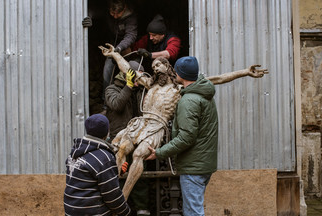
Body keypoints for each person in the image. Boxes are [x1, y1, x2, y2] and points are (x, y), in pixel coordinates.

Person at [98, 43, 268, 202]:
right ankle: (111, 193)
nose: (156, 68)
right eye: (154, 66)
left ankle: (123, 198)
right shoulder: (150, 84)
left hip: (157, 126)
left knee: (138, 154)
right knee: (120, 146)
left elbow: (219, 79)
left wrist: (245, 72)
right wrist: (115, 54)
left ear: (169, 67)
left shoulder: (179, 89)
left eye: (159, 64)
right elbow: (127, 68)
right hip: (141, 123)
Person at [145, 56, 217, 215]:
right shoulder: (204, 94)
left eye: (177, 70)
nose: (174, 72)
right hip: (202, 164)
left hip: (194, 167)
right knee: (194, 208)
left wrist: (160, 152)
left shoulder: (189, 100)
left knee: (193, 212)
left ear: (181, 74)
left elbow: (186, 137)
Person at [105, 61, 152, 216]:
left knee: (139, 176)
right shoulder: (111, 89)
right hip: (119, 142)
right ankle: (118, 209)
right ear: (128, 74)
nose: (141, 78)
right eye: (138, 74)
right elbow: (117, 104)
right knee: (118, 175)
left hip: (138, 139)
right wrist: (129, 85)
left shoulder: (142, 91)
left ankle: (142, 208)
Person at [63, 114, 131, 216]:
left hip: (71, 211)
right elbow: (112, 196)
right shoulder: (104, 158)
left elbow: (86, 181)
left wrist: (114, 172)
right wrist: (126, 212)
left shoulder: (75, 152)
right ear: (107, 133)